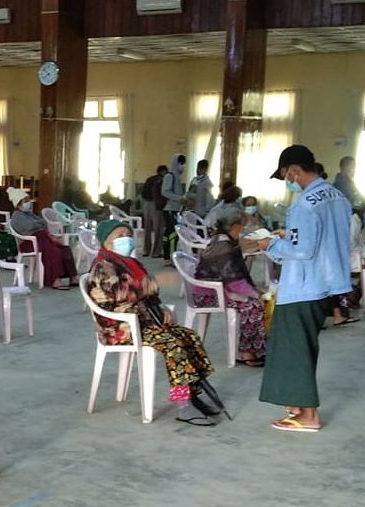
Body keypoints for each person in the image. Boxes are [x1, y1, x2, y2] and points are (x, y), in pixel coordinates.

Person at [255, 144, 351, 433]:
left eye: (286, 175)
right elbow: (325, 236)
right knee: (298, 346)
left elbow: (303, 250)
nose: (287, 181)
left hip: (303, 286)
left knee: (296, 349)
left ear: (294, 171)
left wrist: (270, 244)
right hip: (327, 282)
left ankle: (309, 415)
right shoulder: (337, 196)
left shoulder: (304, 204)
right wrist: (289, 235)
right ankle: (296, 406)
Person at [86, 220, 219, 425]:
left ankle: (192, 394)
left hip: (143, 321)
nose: (125, 239)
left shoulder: (130, 262)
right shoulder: (103, 266)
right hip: (120, 327)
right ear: (106, 242)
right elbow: (121, 294)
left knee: (188, 336)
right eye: (119, 236)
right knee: (172, 344)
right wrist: (150, 284)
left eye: (127, 235)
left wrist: (161, 307)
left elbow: (150, 294)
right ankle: (183, 404)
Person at [194, 206, 268, 366]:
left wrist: (255, 290)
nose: (244, 230)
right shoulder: (224, 247)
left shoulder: (225, 240)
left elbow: (237, 276)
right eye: (243, 227)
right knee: (253, 305)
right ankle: (247, 352)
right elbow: (234, 282)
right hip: (209, 293)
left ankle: (256, 348)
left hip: (220, 288)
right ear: (234, 227)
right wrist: (256, 294)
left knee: (263, 301)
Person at [7, 188, 78, 290]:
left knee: (65, 249)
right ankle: (54, 280)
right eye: (25, 201)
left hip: (42, 238)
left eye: (28, 200)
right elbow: (30, 227)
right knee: (53, 252)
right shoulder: (17, 216)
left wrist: (41, 227)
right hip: (29, 242)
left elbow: (43, 223)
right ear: (18, 204)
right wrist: (39, 225)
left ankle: (73, 277)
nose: (28, 203)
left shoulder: (29, 214)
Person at [160, 153, 188, 260]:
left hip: (175, 209)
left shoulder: (177, 178)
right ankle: (171, 257)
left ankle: (168, 256)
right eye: (181, 163)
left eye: (183, 164)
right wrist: (179, 198)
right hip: (170, 209)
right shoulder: (169, 176)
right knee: (172, 234)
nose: (183, 166)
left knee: (169, 233)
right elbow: (165, 192)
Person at [141, 165, 168, 258]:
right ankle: (156, 252)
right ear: (163, 172)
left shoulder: (150, 179)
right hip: (156, 205)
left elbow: (143, 192)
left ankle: (146, 250)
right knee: (158, 229)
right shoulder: (162, 180)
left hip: (146, 204)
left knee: (147, 228)